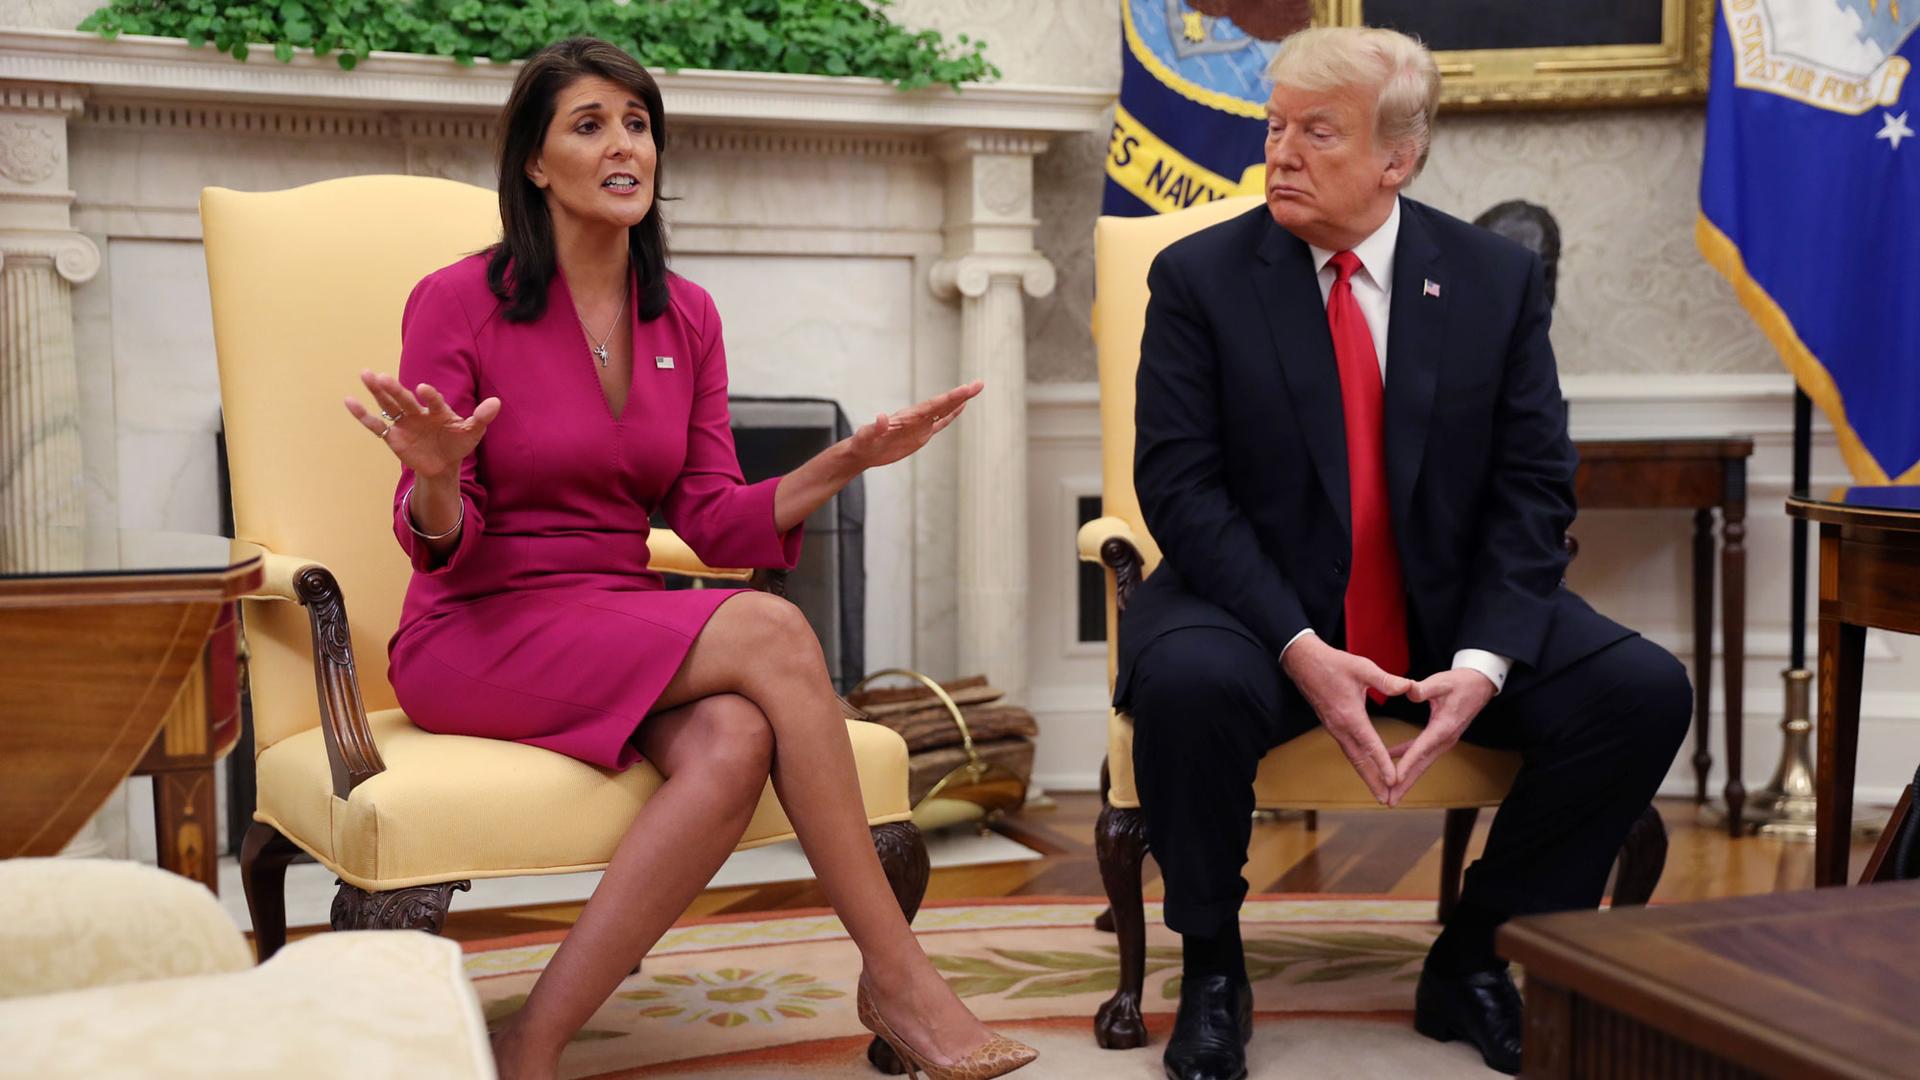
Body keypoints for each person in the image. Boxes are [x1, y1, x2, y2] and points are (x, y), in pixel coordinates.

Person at [342, 37, 1036, 1080]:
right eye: (589, 125)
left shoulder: (687, 315)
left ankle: (533, 1042)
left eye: (637, 123)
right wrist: (437, 473)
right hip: (477, 627)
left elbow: (711, 519)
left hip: (611, 618)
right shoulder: (456, 302)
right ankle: (899, 976)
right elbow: (437, 538)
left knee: (732, 740)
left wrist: (847, 459)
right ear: (534, 163)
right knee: (769, 626)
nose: (624, 145)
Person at [1117, 26, 1691, 1079]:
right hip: (1254, 606)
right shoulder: (1199, 277)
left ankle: (1476, 959)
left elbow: (1533, 486)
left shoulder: (1492, 281)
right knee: (1188, 679)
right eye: (1274, 125)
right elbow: (1180, 491)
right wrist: (1297, 643)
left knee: (1643, 689)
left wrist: (1483, 663)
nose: (1279, 153)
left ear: (1398, 157)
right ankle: (1212, 970)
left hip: (1439, 605)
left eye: (1316, 133)